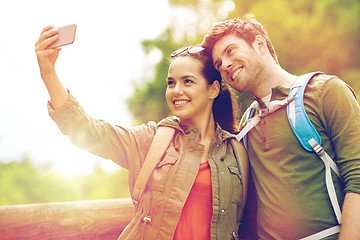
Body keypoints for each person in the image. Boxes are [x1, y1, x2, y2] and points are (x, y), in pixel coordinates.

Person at [35, 25, 248, 240]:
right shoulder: (152, 139)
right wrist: (48, 73)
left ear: (213, 89)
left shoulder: (236, 151)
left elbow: (247, 223)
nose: (176, 91)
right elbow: (89, 131)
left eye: (188, 81)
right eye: (171, 83)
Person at [201, 15, 360, 240]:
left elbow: (358, 178)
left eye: (230, 51)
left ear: (259, 44)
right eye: (219, 63)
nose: (225, 65)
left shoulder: (325, 91)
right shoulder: (246, 126)